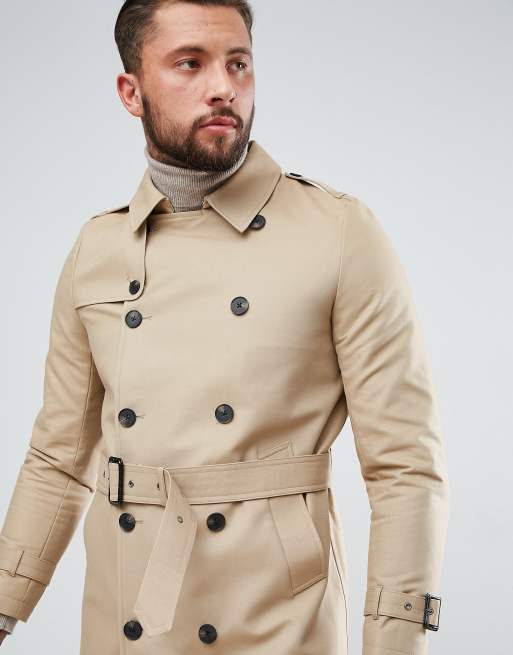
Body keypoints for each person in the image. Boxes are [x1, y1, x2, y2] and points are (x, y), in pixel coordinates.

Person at [0, 1, 450, 652]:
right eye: (190, 63)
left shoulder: (338, 232)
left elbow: (406, 467)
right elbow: (58, 461)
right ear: (131, 92)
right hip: (128, 613)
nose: (223, 87)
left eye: (238, 64)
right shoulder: (96, 248)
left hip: (276, 620)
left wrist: (395, 640)